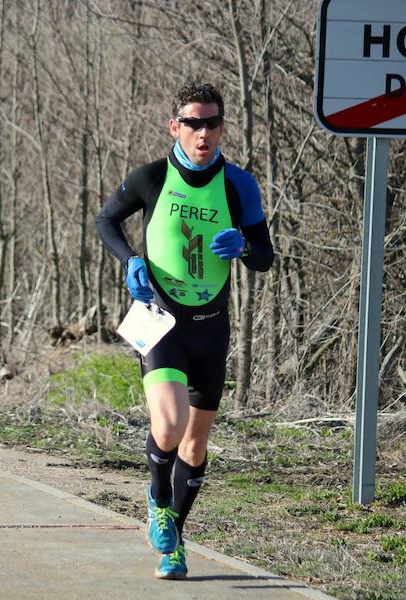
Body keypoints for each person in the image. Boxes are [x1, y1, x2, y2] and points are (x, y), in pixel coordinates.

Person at [95, 83, 273, 579]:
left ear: (221, 128)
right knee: (168, 426)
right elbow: (105, 219)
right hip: (161, 322)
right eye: (193, 123)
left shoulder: (240, 185)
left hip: (211, 328)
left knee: (195, 447)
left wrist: (243, 247)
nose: (203, 133)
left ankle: (174, 541)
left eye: (212, 123)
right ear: (174, 126)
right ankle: (156, 501)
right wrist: (130, 260)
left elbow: (265, 255)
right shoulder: (151, 177)